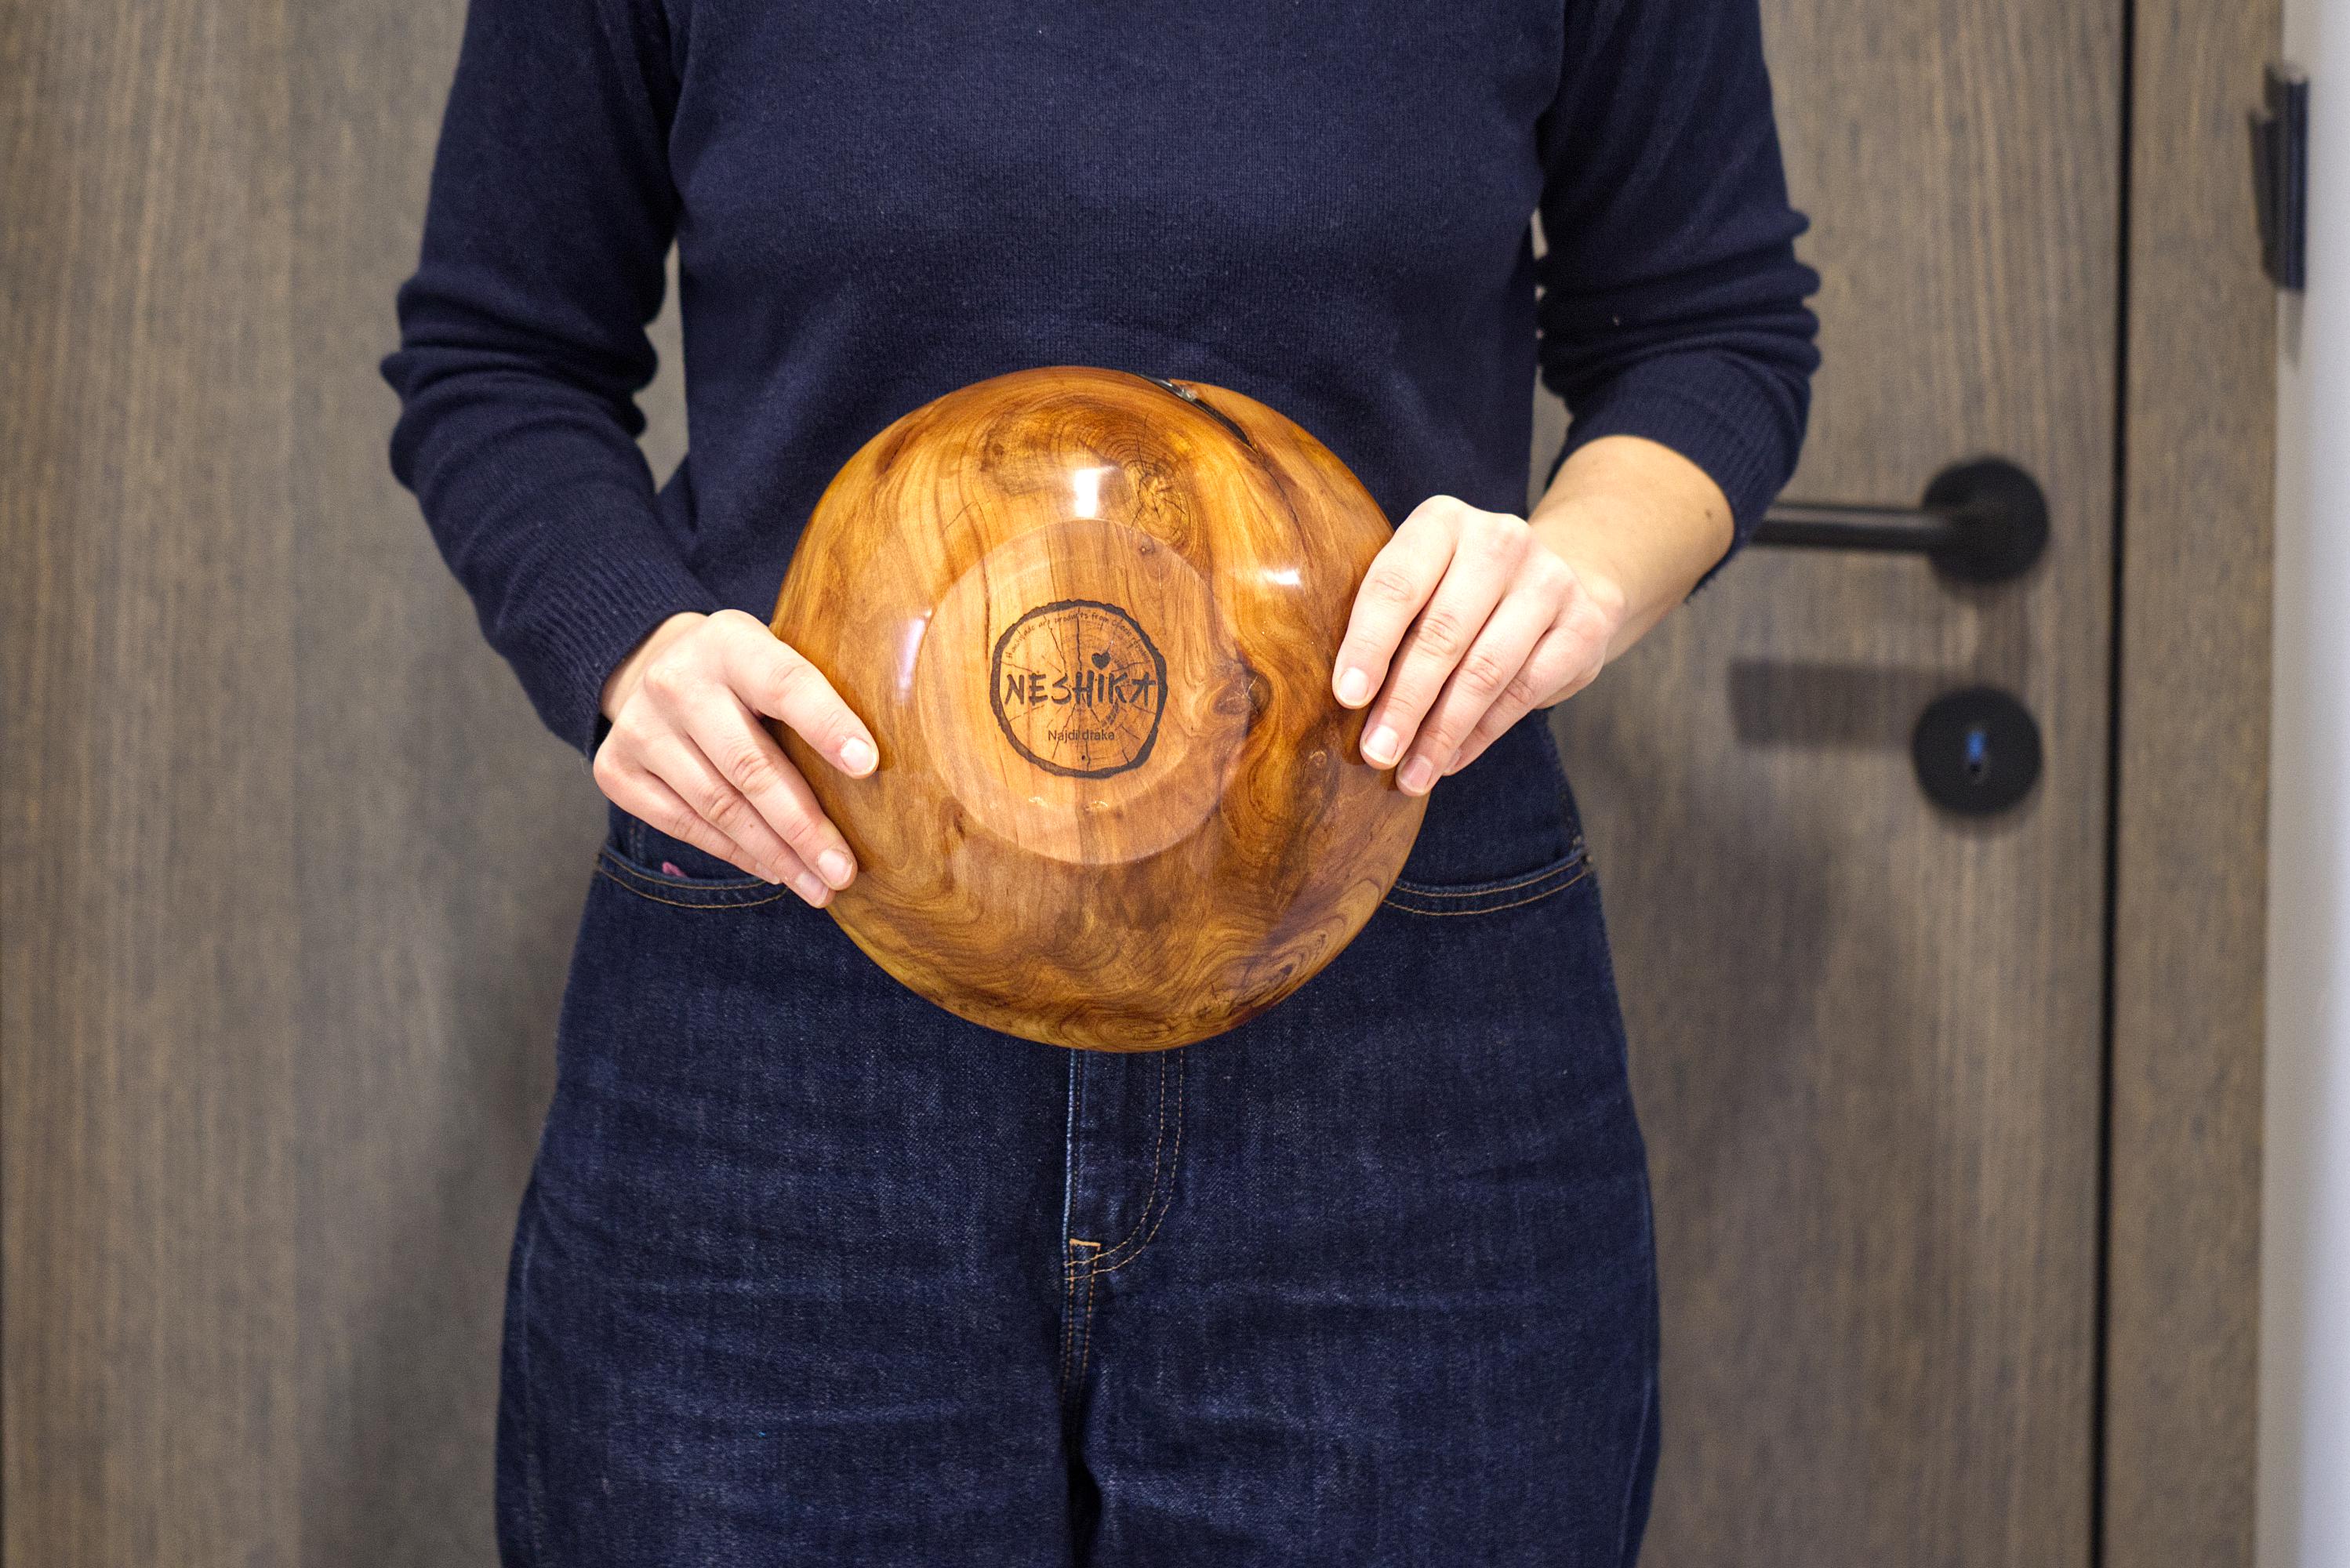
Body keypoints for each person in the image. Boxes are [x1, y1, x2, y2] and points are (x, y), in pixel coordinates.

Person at [380, 0, 1818, 1559]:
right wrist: (624, 644)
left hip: (1397, 1002)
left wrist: (1574, 575)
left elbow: (1710, 330)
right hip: (787, 985)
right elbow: (500, 355)